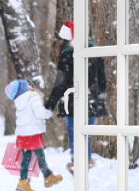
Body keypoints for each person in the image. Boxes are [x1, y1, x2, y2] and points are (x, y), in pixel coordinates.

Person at [45, 21, 107, 175]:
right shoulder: (94, 51)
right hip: (92, 103)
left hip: (72, 102)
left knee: (75, 141)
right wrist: (97, 99)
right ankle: (83, 172)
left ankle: (79, 175)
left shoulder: (67, 53)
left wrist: (48, 106)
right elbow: (103, 81)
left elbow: (60, 84)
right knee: (85, 139)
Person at [5, 79, 63, 191]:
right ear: (24, 88)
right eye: (26, 85)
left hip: (23, 133)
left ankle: (23, 182)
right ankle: (48, 177)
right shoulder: (33, 97)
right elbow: (40, 113)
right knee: (40, 157)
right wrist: (49, 113)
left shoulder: (19, 101)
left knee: (26, 159)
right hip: (33, 133)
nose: (29, 85)